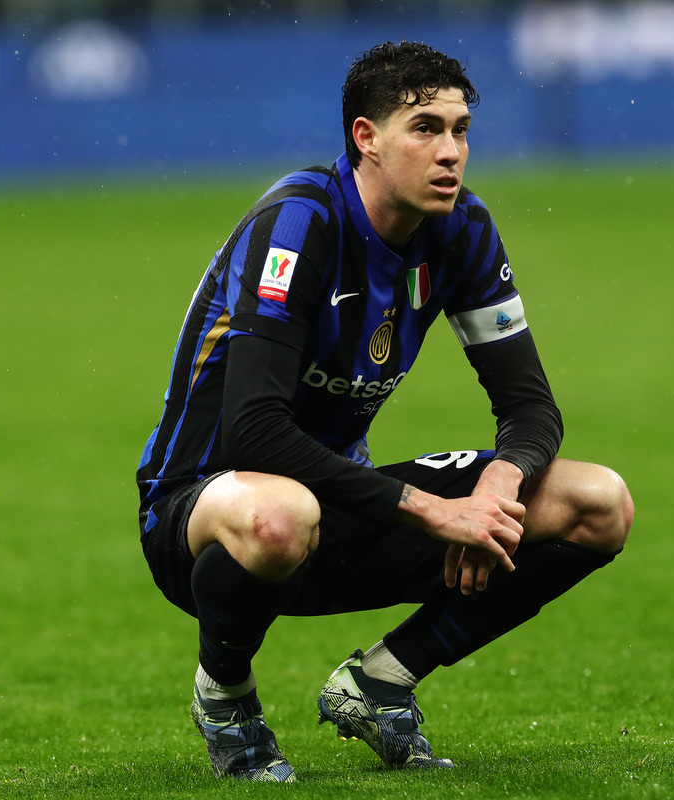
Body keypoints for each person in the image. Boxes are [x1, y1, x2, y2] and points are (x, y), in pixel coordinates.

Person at [135, 40, 634, 782]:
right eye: (425, 127)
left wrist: (503, 482)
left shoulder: (461, 230)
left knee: (598, 502)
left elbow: (529, 406)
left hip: (342, 505)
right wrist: (438, 513)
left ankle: (380, 682)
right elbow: (254, 431)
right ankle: (226, 697)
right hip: (207, 512)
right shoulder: (300, 223)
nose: (451, 151)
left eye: (461, 129)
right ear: (366, 139)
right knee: (281, 515)